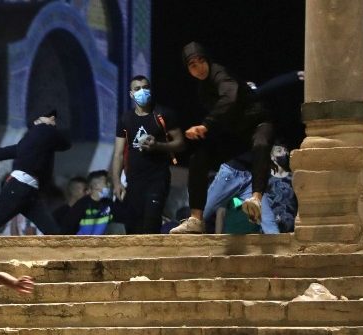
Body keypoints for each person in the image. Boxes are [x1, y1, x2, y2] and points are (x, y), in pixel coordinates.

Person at [171, 42, 274, 234]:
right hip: (236, 134)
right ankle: (196, 219)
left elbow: (230, 98)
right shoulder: (203, 89)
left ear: (207, 61)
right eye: (192, 65)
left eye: (201, 62)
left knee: (261, 144)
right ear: (188, 70)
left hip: (258, 125)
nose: (198, 68)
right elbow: (223, 118)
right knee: (198, 157)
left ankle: (256, 200)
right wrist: (207, 134)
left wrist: (206, 124)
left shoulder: (221, 74)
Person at [0, 110, 70, 235]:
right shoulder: (41, 131)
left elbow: (10, 151)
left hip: (29, 191)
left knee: (53, 232)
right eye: (50, 119)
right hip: (19, 188)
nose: (53, 122)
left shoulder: (32, 143)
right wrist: (45, 124)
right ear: (38, 121)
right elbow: (65, 143)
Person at [111, 75, 186, 234]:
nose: (142, 91)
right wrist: (117, 182)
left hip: (157, 179)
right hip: (134, 182)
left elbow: (180, 143)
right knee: (132, 228)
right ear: (131, 94)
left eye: (145, 87)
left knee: (150, 226)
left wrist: (158, 145)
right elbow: (118, 153)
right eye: (137, 89)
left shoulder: (163, 115)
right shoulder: (125, 119)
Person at [59, 171, 117, 235]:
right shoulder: (81, 206)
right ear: (96, 186)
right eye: (106, 182)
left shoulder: (109, 204)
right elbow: (67, 229)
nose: (109, 185)